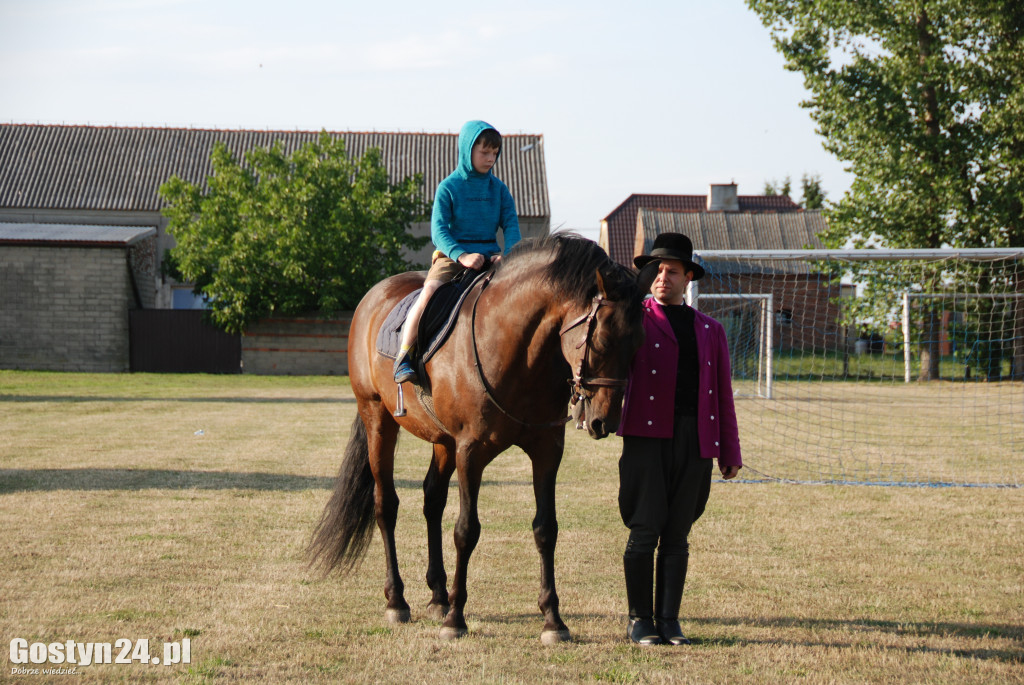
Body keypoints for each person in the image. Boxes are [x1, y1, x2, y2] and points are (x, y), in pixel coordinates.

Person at [617, 232, 742, 646]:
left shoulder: (711, 330)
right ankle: (639, 620)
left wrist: (729, 450)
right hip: (645, 435)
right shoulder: (631, 318)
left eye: (671, 270)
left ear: (689, 276)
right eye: (655, 269)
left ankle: (669, 620)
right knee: (644, 529)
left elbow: (722, 394)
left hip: (695, 439)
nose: (661, 276)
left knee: (677, 534)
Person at [394, 120, 521, 383]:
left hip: (490, 258)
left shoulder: (499, 189)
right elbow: (439, 232)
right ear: (467, 150)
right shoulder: (448, 187)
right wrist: (461, 255)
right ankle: (403, 356)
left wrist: (509, 254)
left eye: (494, 153)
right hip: (451, 258)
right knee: (429, 293)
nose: (490, 158)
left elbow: (511, 224)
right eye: (484, 152)